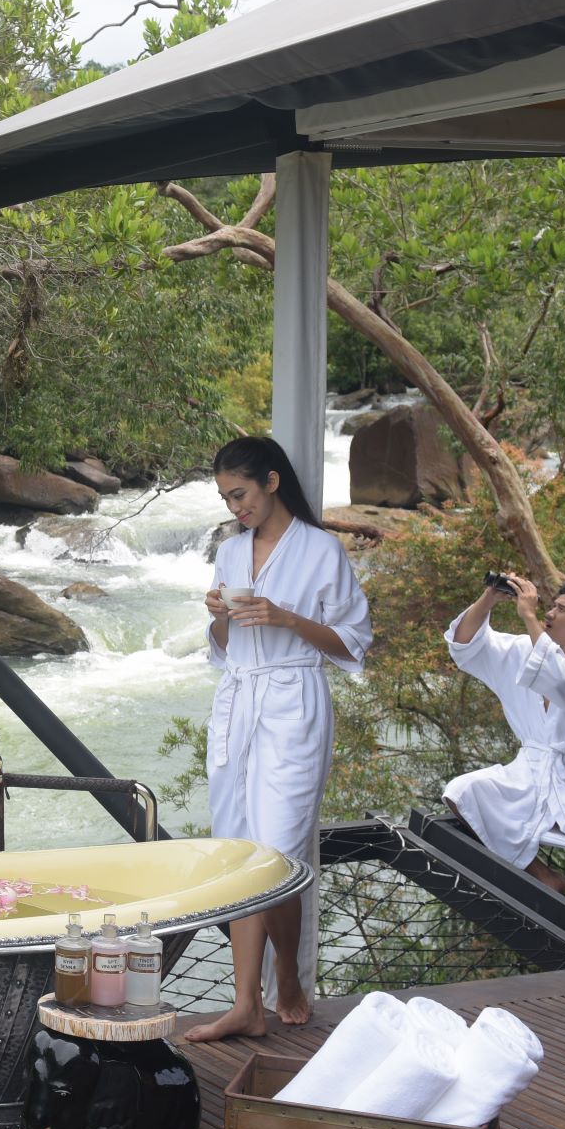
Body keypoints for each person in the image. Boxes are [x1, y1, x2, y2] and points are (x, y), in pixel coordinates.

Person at [186, 436, 372, 1042]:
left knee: (281, 851)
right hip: (238, 704)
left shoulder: (322, 551)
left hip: (293, 704)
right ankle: (246, 1003)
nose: (234, 507)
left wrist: (285, 616)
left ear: (271, 481)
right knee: (240, 852)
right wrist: (218, 612)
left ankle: (286, 974)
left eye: (239, 494)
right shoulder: (231, 552)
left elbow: (355, 643)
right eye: (225, 498)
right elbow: (221, 646)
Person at [443, 574, 565, 920]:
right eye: (550, 606)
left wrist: (528, 615)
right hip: (529, 767)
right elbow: (466, 645)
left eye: (560, 609)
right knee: (462, 792)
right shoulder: (525, 651)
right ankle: (545, 878)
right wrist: (489, 598)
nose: (549, 613)